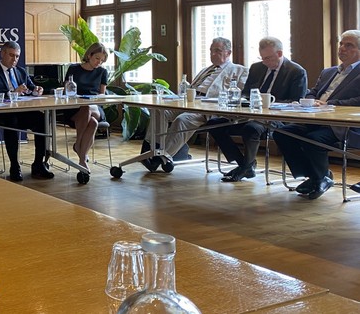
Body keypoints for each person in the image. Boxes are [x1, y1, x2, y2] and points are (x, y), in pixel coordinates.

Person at [272, 30, 360, 200]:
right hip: (315, 119)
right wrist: (311, 101)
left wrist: (330, 103)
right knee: (282, 133)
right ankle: (318, 177)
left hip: (343, 126)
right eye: (341, 44)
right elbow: (313, 91)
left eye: (349, 45)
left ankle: (318, 178)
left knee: (313, 140)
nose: (342, 48)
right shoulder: (328, 72)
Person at [207, 37, 307, 182]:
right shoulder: (257, 68)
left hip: (276, 118)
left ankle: (245, 167)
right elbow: (246, 93)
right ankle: (244, 164)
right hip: (250, 114)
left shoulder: (296, 71)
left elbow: (296, 102)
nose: (265, 62)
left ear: (279, 54)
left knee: (251, 129)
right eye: (262, 58)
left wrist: (269, 103)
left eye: (268, 58)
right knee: (214, 124)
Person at [142, 37, 247, 171]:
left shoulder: (240, 70)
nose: (213, 54)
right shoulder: (205, 70)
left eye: (217, 51)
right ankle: (152, 147)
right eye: (211, 50)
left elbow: (242, 96)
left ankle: (161, 158)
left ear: (228, 52)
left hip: (207, 108)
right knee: (159, 110)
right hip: (189, 102)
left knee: (182, 120)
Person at [0, 41, 54, 181]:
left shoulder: (21, 71)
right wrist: (12, 92)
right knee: (11, 122)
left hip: (22, 110)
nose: (14, 59)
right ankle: (14, 166)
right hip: (3, 112)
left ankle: (38, 164)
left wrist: (37, 90)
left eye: (17, 56)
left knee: (42, 119)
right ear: (2, 54)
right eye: (11, 55)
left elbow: (31, 87)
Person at [63, 42, 109, 172]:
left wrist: (94, 99)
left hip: (95, 107)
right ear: (89, 55)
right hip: (75, 108)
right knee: (93, 122)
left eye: (102, 60)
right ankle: (82, 158)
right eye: (97, 58)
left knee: (88, 107)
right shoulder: (74, 69)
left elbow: (102, 94)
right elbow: (67, 90)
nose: (99, 62)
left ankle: (78, 144)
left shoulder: (102, 72)